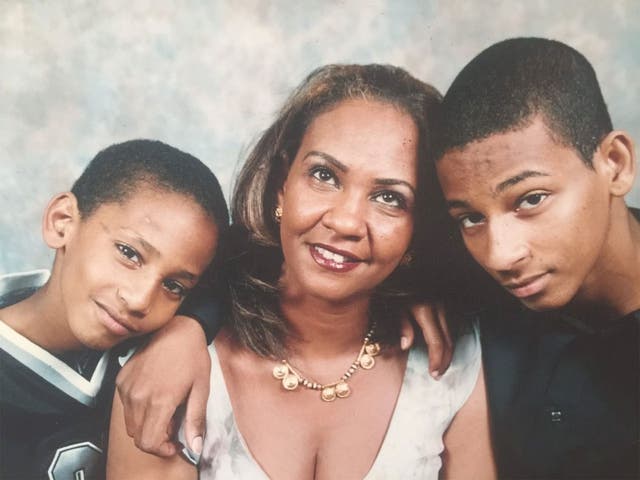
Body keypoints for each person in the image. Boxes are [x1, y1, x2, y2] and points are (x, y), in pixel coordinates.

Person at [106, 64, 496, 479]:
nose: (346, 222)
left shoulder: (453, 365)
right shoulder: (175, 365)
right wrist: (187, 328)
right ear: (281, 185)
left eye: (388, 198)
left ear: (419, 227)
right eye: (324, 175)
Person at [434, 37, 639, 479]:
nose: (500, 255)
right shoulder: (473, 299)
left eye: (530, 199)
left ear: (616, 164)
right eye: (470, 219)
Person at [0, 139, 228, 479]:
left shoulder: (151, 338)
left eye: (174, 286)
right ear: (62, 222)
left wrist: (190, 327)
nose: (139, 300)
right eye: (129, 253)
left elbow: (253, 264)